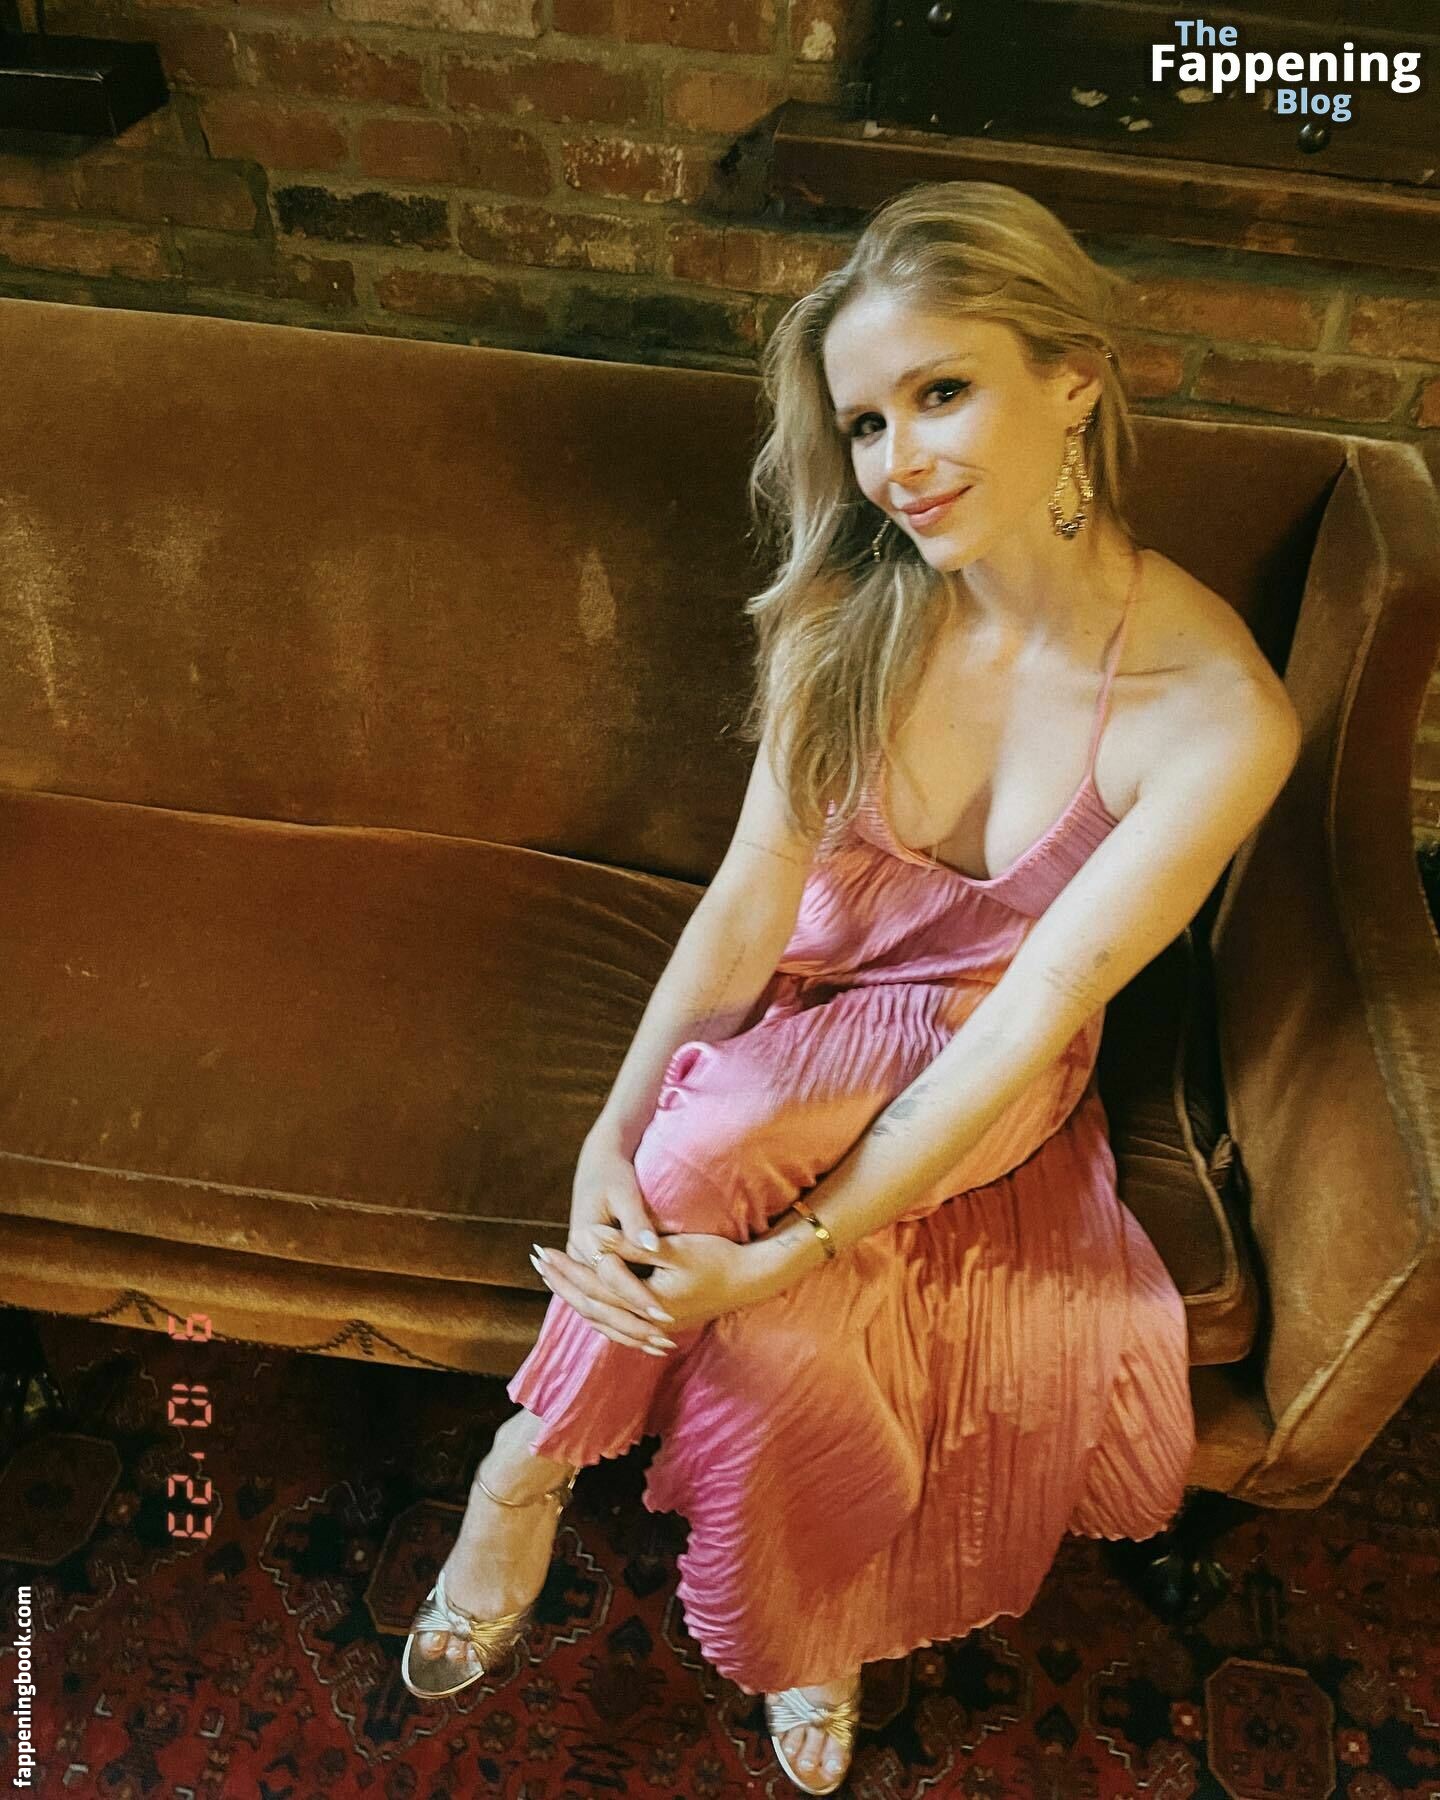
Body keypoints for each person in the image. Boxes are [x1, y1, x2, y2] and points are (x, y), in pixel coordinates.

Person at [401, 179, 1302, 1795]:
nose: (900, 464)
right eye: (868, 423)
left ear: (1076, 379)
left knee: (730, 1150)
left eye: (942, 393)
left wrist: (785, 1247)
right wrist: (609, 1135)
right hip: (794, 1018)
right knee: (777, 1316)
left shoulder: (1217, 712)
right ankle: (796, 1610)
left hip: (979, 1056)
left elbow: (1029, 1017)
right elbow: (752, 898)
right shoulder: (848, 610)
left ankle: (523, 1456)